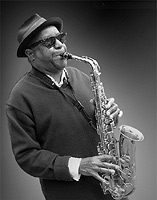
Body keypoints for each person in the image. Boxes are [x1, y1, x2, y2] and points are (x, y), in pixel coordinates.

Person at [6, 14, 128, 200]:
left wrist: (111, 116)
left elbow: (103, 127)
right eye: (49, 42)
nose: (60, 45)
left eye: (60, 38)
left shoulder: (80, 76)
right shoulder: (20, 96)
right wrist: (79, 165)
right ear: (31, 55)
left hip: (112, 187)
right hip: (71, 194)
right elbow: (27, 157)